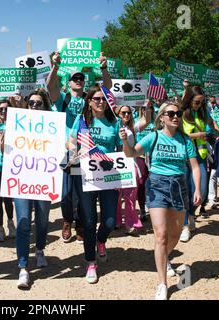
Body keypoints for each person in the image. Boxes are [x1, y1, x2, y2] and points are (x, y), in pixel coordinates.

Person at [121, 101, 202, 300]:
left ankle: (164, 257)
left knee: (174, 235)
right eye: (171, 113)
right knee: (161, 235)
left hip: (179, 187)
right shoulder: (153, 136)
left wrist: (198, 188)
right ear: (162, 118)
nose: (176, 116)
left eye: (178, 113)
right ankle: (162, 284)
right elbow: (131, 153)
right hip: (157, 186)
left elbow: (194, 167)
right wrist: (125, 141)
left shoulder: (185, 141)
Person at [47, 51, 112, 243]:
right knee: (67, 193)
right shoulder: (63, 99)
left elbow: (107, 89)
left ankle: (81, 223)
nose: (78, 80)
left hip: (89, 150)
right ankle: (67, 219)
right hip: (70, 149)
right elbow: (50, 86)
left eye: (81, 78)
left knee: (84, 191)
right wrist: (55, 67)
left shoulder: (89, 98)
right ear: (68, 82)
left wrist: (103, 68)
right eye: (74, 78)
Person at [67, 86, 121, 284]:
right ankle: (90, 262)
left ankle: (101, 240)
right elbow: (71, 142)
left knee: (108, 221)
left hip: (108, 175)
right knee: (88, 221)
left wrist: (121, 176)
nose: (100, 102)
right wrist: (75, 151)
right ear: (89, 101)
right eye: (96, 99)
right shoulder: (81, 121)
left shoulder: (114, 122)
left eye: (103, 99)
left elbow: (120, 149)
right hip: (86, 175)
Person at [15, 89, 54, 289]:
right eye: (31, 103)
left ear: (45, 106)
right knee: (22, 223)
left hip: (44, 180)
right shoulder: (17, 125)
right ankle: (23, 267)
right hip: (21, 179)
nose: (35, 106)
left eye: (39, 103)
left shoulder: (52, 127)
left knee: (41, 220)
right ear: (27, 105)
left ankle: (39, 249)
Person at [180, 87, 217, 242]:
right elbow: (178, 132)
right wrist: (198, 134)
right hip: (184, 157)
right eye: (196, 102)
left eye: (202, 102)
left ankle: (190, 214)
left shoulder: (203, 112)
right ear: (189, 100)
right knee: (186, 192)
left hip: (200, 157)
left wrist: (218, 133)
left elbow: (212, 123)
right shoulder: (181, 113)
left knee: (200, 191)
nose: (198, 104)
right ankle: (185, 225)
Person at [116, 101, 153, 235]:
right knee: (116, 195)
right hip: (115, 164)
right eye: (123, 113)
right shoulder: (113, 126)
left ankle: (131, 223)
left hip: (130, 162)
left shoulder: (132, 128)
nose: (126, 115)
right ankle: (117, 220)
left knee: (131, 195)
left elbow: (147, 120)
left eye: (128, 113)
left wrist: (147, 107)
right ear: (117, 114)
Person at [0, 100, 15, 242]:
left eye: (6, 109)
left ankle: (10, 223)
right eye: (1, 109)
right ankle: (0, 228)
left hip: (10, 166)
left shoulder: (16, 127)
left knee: (8, 199)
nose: (4, 111)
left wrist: (2, 145)